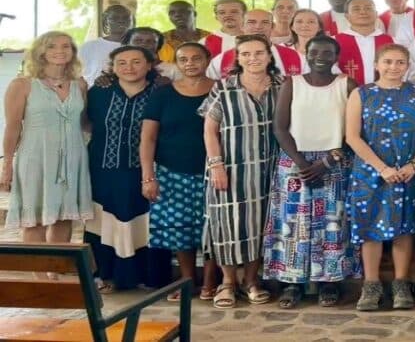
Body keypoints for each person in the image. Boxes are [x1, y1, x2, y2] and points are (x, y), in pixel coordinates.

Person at [265, 35, 361, 308]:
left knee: (334, 222)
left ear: (336, 56)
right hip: (295, 163)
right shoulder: (291, 84)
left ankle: (330, 282)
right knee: (293, 223)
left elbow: (353, 129)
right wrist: (302, 163)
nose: (321, 56)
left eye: (328, 52)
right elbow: (280, 128)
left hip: (335, 162)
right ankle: (292, 283)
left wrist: (328, 161)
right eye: (315, 51)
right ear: (305, 54)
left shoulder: (347, 85)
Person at [200, 34, 281, 308]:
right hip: (230, 168)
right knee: (227, 224)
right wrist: (216, 165)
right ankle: (227, 282)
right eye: (246, 54)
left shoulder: (282, 86)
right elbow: (210, 129)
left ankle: (251, 280)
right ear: (238, 58)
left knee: (258, 225)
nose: (253, 59)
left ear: (269, 56)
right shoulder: (223, 88)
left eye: (259, 53)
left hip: (269, 168)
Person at [346, 44, 415, 311]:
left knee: (404, 227)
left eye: (400, 62)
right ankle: (371, 286)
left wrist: (414, 164)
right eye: (388, 62)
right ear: (377, 64)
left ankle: (401, 283)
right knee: (370, 227)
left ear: (407, 66)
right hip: (371, 172)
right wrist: (382, 168)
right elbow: (352, 137)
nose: (394, 67)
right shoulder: (361, 94)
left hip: (409, 172)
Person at [140, 42, 218, 301]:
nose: (190, 63)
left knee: (213, 228)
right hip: (172, 172)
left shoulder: (221, 90)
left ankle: (210, 281)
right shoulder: (163, 94)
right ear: (177, 63)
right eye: (183, 59)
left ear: (208, 59)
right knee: (180, 229)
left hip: (214, 171)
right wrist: (148, 177)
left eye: (196, 58)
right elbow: (148, 138)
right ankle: (187, 280)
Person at [1, 32, 92, 244]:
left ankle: (55, 271)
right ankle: (40, 273)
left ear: (73, 52)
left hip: (73, 158)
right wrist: (7, 165)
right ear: (40, 52)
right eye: (52, 46)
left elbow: (86, 123)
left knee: (64, 218)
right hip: (36, 158)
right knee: (35, 219)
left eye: (66, 46)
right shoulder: (22, 84)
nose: (59, 51)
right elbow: (13, 128)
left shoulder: (79, 84)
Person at [84, 45, 160, 293]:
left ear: (149, 65)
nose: (129, 67)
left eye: (136, 62)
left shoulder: (160, 93)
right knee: (103, 222)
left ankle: (145, 276)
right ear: (113, 67)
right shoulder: (99, 92)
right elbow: (86, 124)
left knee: (144, 221)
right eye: (122, 62)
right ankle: (103, 274)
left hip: (146, 170)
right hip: (103, 168)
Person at [207, 9, 307, 79]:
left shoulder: (297, 58)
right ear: (242, 26)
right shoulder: (221, 60)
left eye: (265, 22)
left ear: (272, 26)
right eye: (251, 22)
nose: (258, 27)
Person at [334, 0, 394, 85]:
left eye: (368, 8)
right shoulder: (334, 41)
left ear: (376, 14)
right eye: (356, 9)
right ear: (347, 16)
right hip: (346, 94)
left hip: (385, 93)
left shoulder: (392, 41)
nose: (363, 12)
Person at [81, 4, 133, 86]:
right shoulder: (89, 46)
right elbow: (76, 75)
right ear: (105, 21)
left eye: (126, 18)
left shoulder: (137, 47)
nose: (121, 21)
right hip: (95, 96)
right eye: (115, 18)